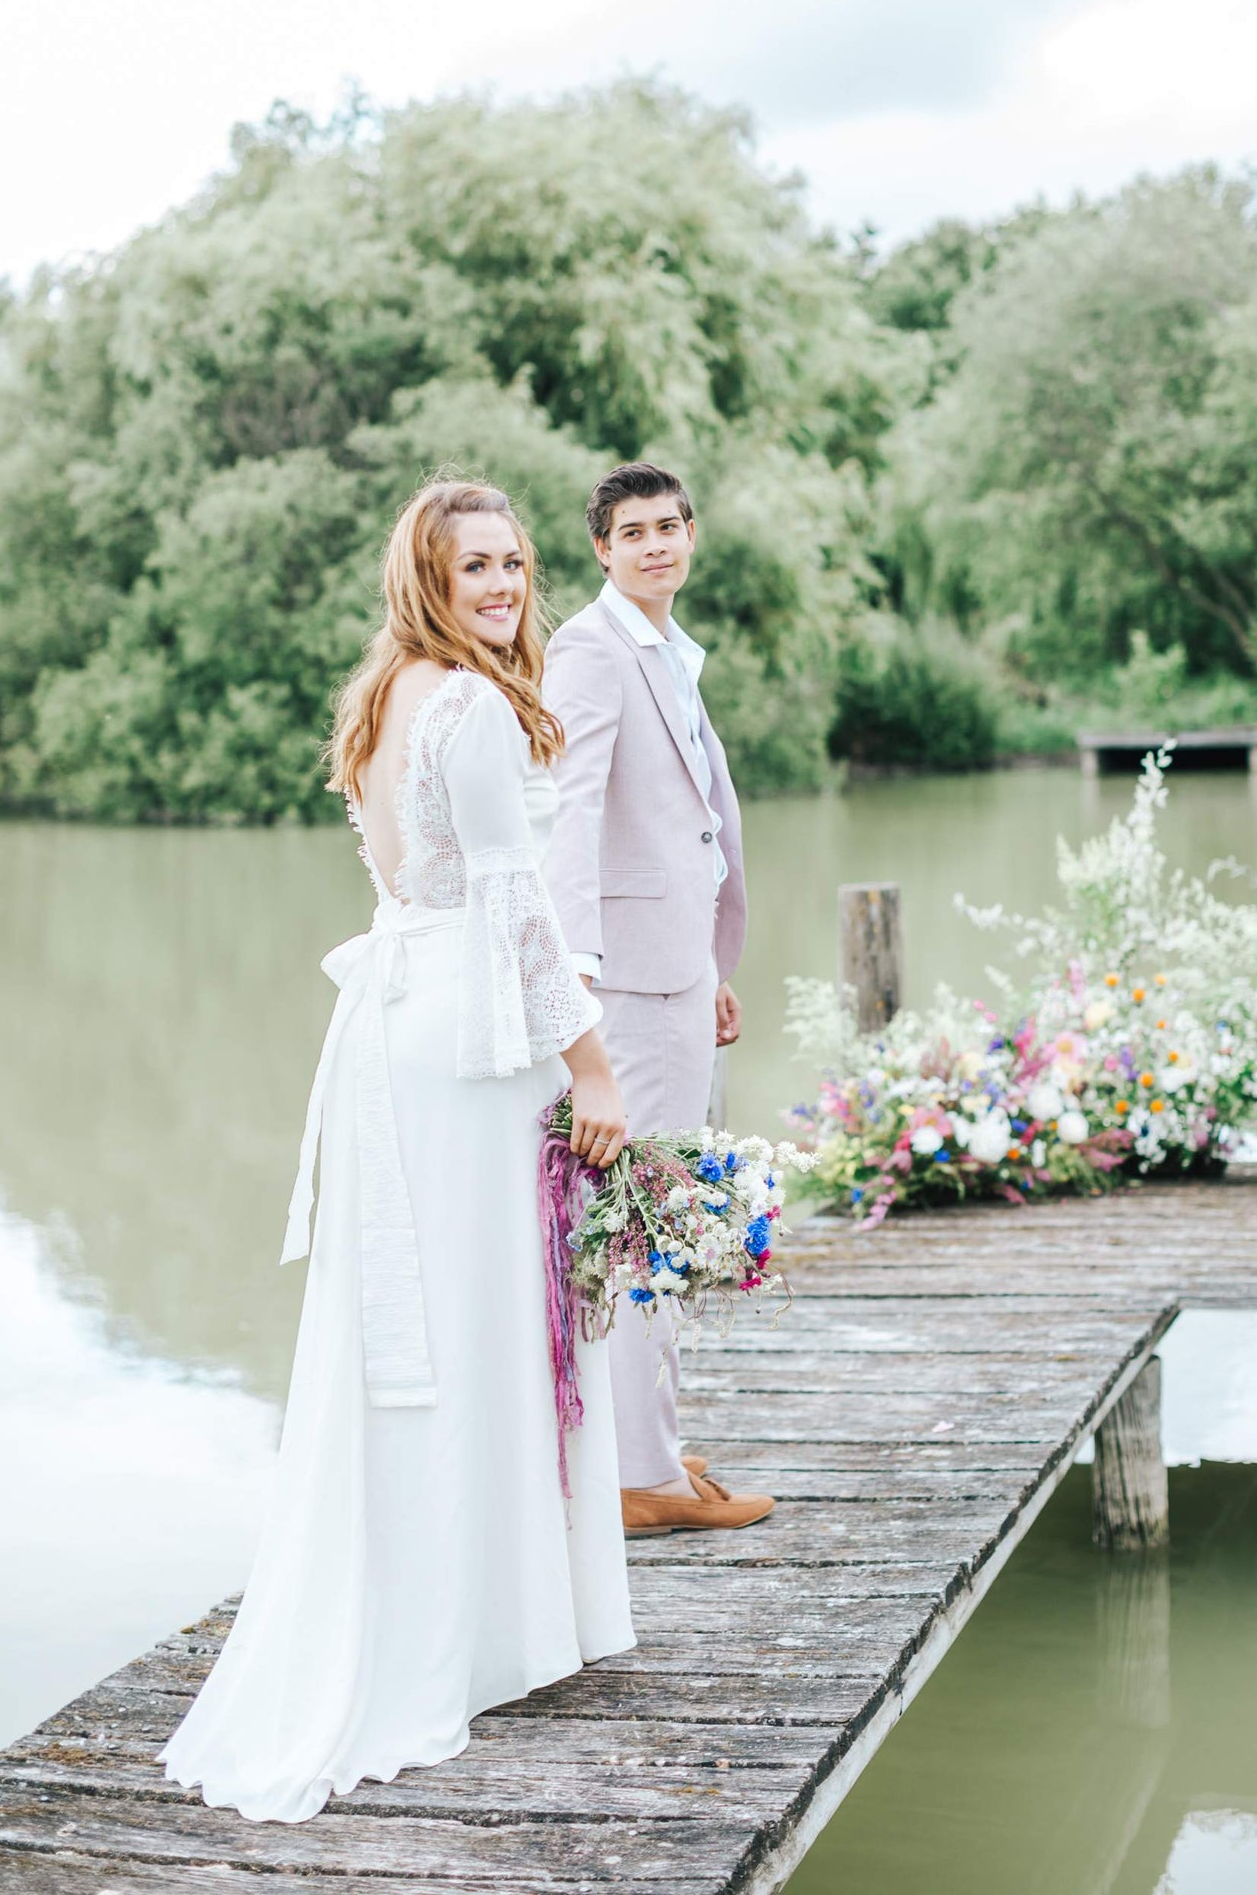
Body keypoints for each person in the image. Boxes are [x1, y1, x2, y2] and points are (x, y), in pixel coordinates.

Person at [160, 480, 635, 1823]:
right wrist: (592, 1062)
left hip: (401, 1031)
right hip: (467, 1045)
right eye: (475, 564)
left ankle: (459, 1613)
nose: (504, 584)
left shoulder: (389, 692)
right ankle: (472, 1634)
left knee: (424, 1330)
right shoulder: (474, 705)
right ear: (426, 575)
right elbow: (516, 904)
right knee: (485, 1320)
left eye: (516, 562)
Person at [543, 461, 774, 1536]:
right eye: (632, 531)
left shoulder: (667, 652)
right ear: (600, 548)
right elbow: (570, 815)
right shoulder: (591, 650)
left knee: (659, 1217)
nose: (655, 545)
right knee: (642, 1227)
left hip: (675, 973)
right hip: (623, 985)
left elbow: (685, 829)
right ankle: (642, 1481)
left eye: (670, 526)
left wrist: (708, 964)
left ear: (691, 536)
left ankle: (652, 1450)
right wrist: (577, 985)